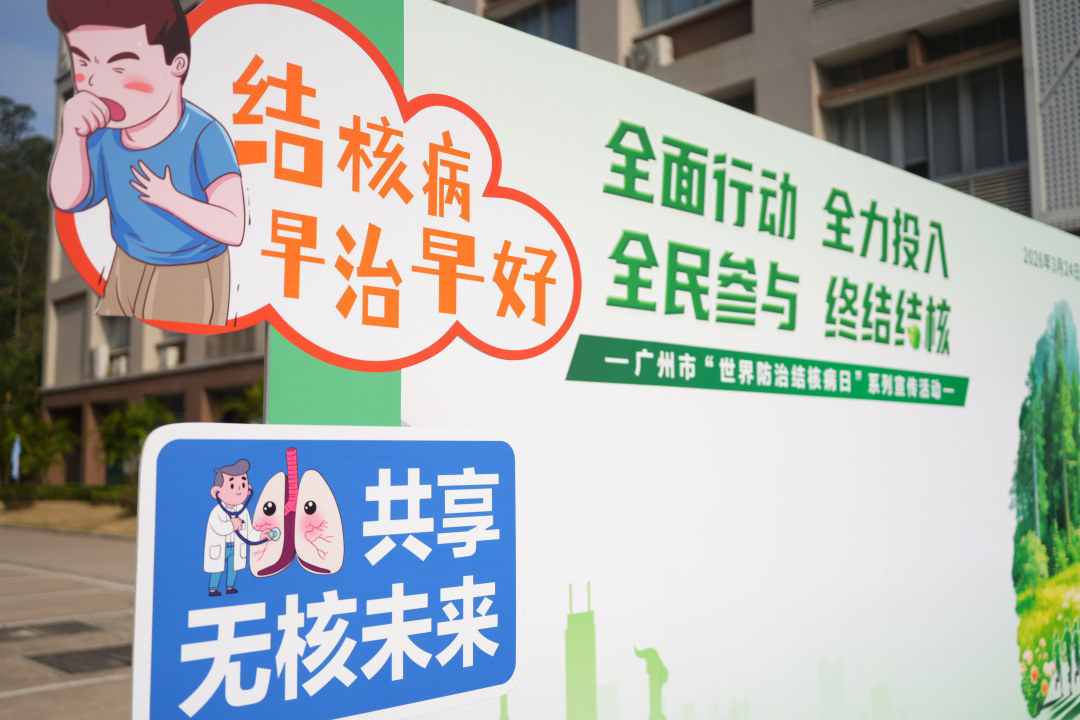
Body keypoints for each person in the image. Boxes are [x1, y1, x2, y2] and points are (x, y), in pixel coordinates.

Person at [47, 0, 245, 325]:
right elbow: (68, 199)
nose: (95, 83)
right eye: (84, 64)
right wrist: (72, 135)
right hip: (126, 261)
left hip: (192, 268)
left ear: (177, 64)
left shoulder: (204, 135)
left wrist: (171, 200)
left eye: (119, 67)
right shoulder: (103, 136)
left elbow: (233, 226)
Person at [205, 459, 265, 596]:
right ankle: (213, 589)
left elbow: (249, 532)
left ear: (248, 489)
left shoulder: (243, 511)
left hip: (236, 546)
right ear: (216, 492)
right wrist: (232, 525)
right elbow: (218, 527)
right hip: (221, 547)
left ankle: (230, 587)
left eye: (243, 485)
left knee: (233, 568)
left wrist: (262, 535)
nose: (239, 489)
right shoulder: (216, 512)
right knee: (217, 570)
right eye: (232, 486)